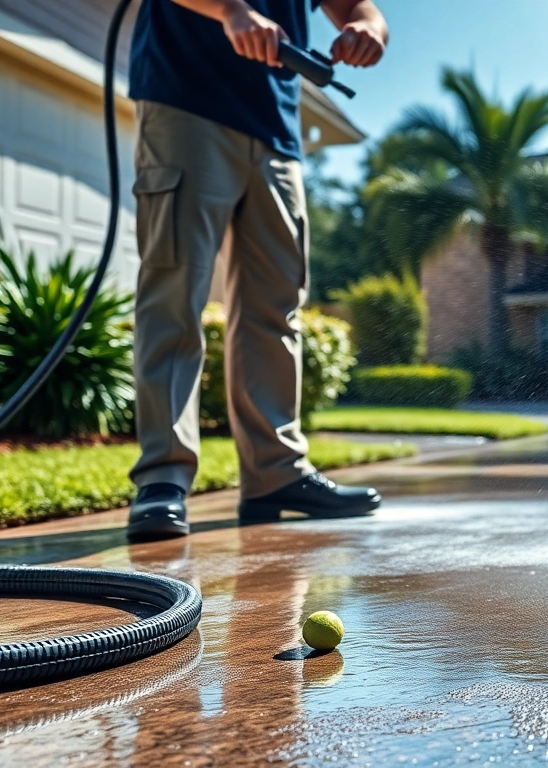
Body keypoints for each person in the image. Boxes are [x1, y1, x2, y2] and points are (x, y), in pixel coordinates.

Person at [125, 0, 389, 541]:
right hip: (185, 99)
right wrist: (230, 10)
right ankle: (163, 481)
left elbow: (353, 6)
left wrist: (368, 28)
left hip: (275, 126)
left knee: (276, 305)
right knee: (174, 292)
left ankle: (276, 473)